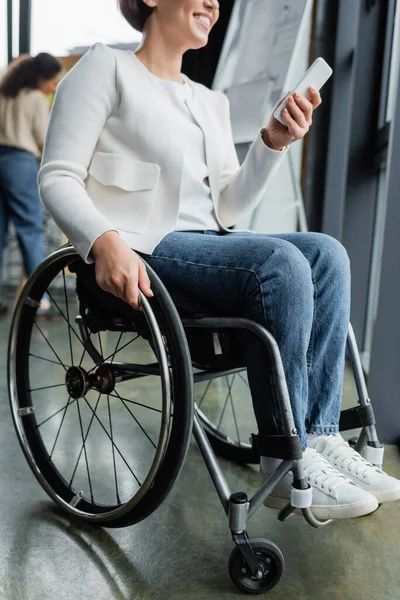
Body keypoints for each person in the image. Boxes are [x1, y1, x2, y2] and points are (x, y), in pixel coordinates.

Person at [38, 0, 400, 521]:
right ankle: (285, 453)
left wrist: (271, 144)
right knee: (280, 262)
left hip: (204, 243)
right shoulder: (105, 67)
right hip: (141, 246)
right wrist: (104, 240)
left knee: (327, 253)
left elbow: (227, 208)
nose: (213, 2)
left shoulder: (210, 102)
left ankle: (319, 439)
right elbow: (57, 176)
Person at [0, 52, 62, 315]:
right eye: (53, 81)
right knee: (30, 230)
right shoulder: (35, 98)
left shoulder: (4, 93)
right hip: (19, 163)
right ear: (42, 77)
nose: (53, 87)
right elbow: (44, 139)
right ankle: (41, 301)